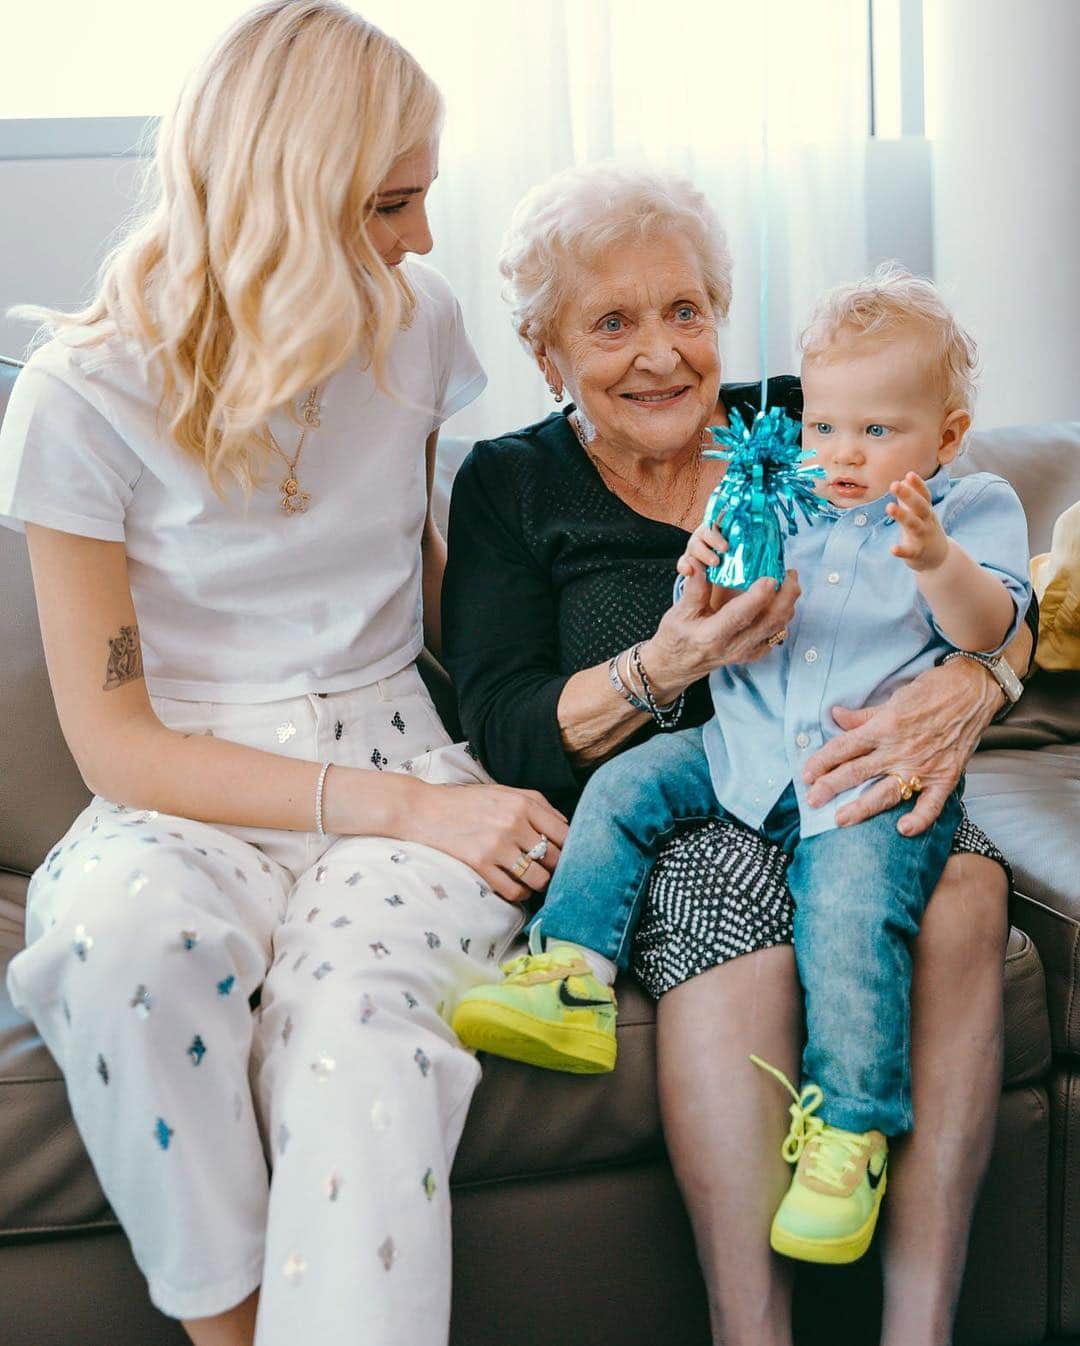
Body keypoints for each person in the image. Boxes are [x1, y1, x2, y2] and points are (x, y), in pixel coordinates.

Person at [0, 6, 568, 1346]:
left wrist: (583, 692)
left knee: (357, 1031)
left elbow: (431, 574)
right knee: (114, 939)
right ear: (280, 199)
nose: (424, 237)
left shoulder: (416, 319)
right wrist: (410, 814)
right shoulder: (82, 397)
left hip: (400, 743)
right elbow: (117, 744)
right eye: (391, 201)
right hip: (185, 774)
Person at [441, 164, 1037, 1345]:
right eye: (611, 323)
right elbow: (503, 722)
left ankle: (922, 1327)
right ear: (547, 352)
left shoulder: (808, 422)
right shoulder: (510, 483)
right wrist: (663, 665)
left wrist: (981, 677)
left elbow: (986, 575)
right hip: (685, 800)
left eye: (686, 312)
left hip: (845, 774)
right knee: (733, 898)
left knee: (961, 879)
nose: (660, 352)